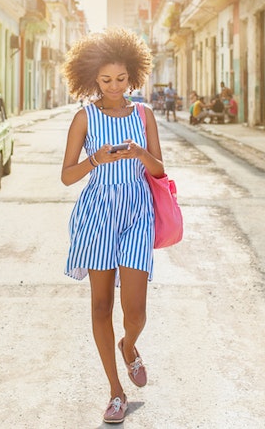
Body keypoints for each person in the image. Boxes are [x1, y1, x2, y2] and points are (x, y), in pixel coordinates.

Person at [60, 28, 165, 424]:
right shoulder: (83, 117)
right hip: (98, 213)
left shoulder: (144, 114)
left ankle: (130, 345)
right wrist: (96, 159)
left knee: (135, 311)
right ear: (92, 79)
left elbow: (159, 168)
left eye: (122, 79)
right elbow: (68, 176)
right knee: (101, 305)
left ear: (133, 75)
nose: (115, 86)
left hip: (138, 212)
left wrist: (139, 152)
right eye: (106, 80)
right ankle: (116, 392)